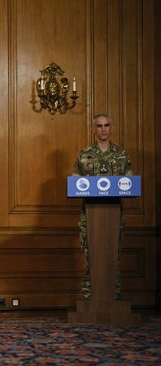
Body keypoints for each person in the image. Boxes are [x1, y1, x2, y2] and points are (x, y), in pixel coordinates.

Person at [73, 113, 131, 300]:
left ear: (111, 129)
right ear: (93, 130)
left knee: (113, 254)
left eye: (106, 125)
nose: (103, 129)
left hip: (114, 215)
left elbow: (129, 182)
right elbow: (75, 181)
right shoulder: (84, 154)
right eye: (99, 126)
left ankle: (114, 295)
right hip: (90, 215)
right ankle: (90, 296)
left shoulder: (121, 154)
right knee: (91, 254)